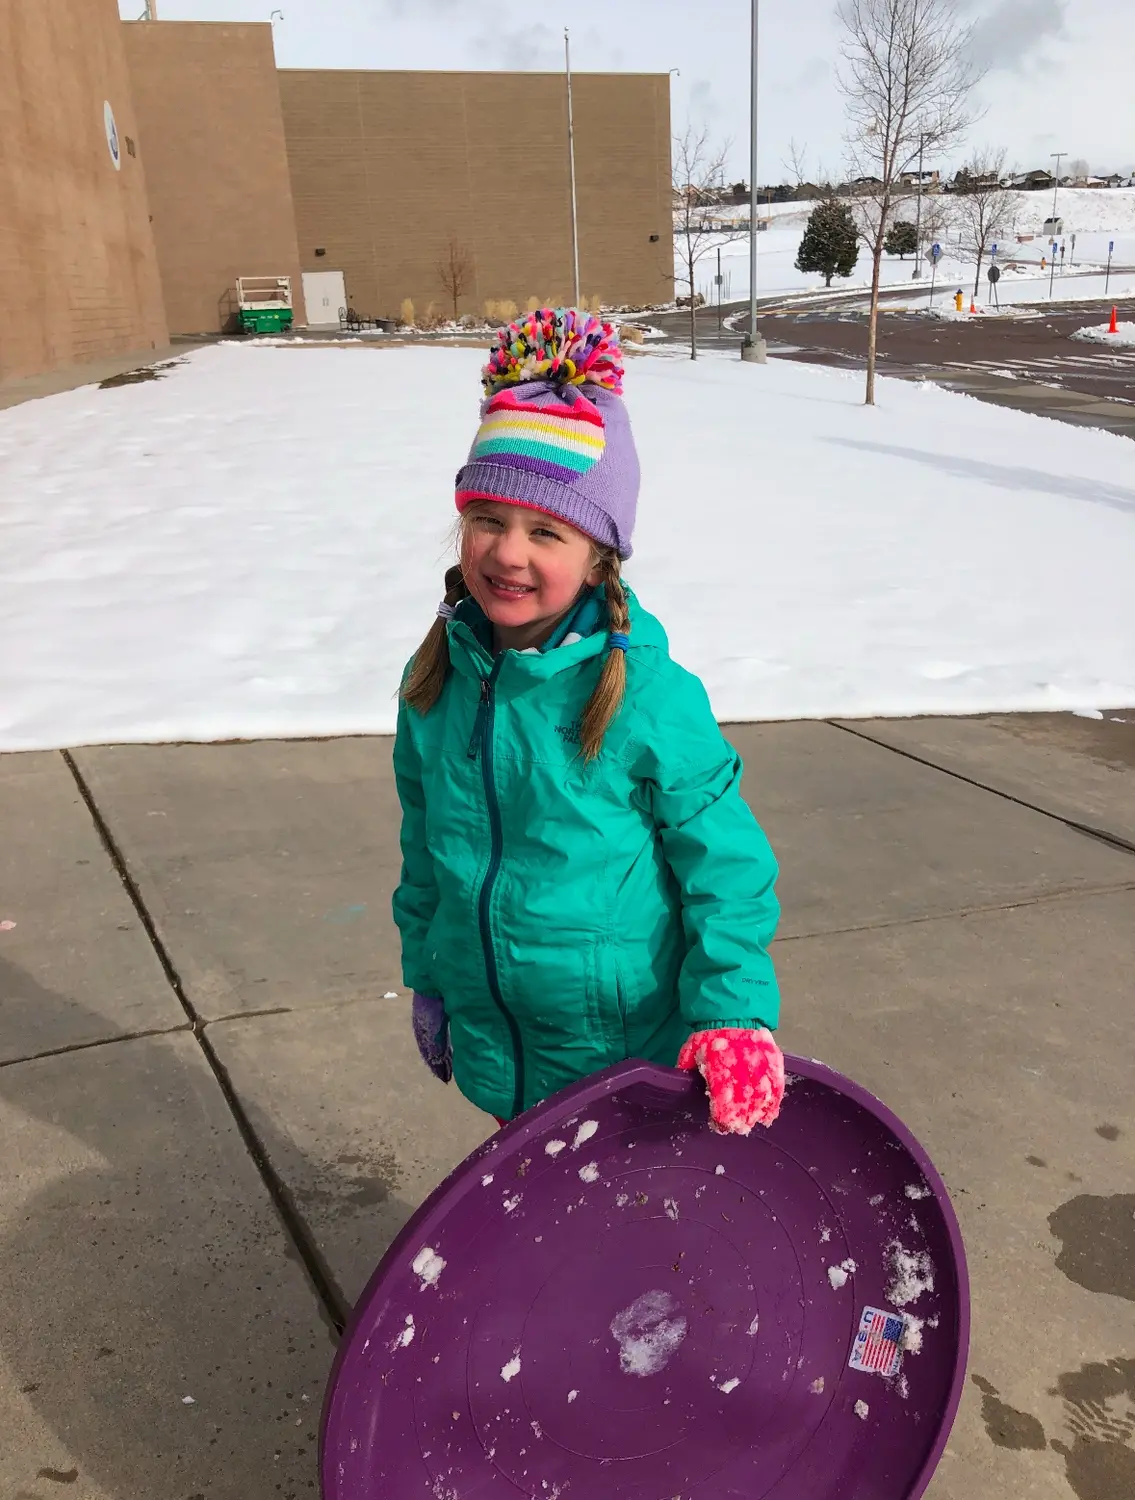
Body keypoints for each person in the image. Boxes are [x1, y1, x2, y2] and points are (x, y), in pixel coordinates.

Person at [392, 308, 783, 1136]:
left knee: (641, 1251)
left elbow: (726, 866)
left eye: (547, 531)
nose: (508, 553)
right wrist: (429, 974)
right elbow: (426, 850)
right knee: (540, 1245)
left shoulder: (647, 695)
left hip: (626, 1054)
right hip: (502, 1041)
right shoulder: (436, 681)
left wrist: (733, 1013)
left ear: (599, 555)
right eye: (488, 520)